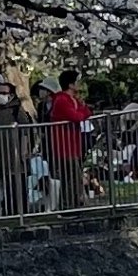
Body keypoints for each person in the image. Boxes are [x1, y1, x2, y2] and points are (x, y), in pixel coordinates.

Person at [45, 70, 95, 208]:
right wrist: (83, 111)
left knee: (75, 177)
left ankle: (73, 204)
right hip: (64, 146)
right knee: (70, 178)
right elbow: (77, 116)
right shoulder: (61, 100)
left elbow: (86, 112)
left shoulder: (73, 99)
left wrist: (83, 110)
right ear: (71, 84)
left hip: (74, 145)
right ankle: (68, 206)